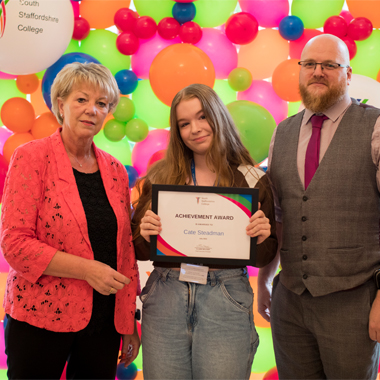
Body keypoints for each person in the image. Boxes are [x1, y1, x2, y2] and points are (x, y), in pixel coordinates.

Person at [0, 62, 140, 380]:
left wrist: (128, 320)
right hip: (39, 318)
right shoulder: (31, 157)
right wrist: (88, 271)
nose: (92, 109)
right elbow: (16, 244)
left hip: (104, 324)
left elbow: (125, 250)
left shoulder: (116, 170)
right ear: (60, 104)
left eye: (102, 103)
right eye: (82, 99)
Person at [132, 83, 277, 379]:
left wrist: (262, 236)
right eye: (184, 124)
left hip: (226, 297)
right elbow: (136, 247)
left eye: (202, 117)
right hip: (166, 296)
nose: (195, 129)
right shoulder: (161, 176)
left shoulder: (252, 180)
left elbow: (264, 256)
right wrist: (144, 233)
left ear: (218, 116)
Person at [257, 33, 380, 379]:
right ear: (300, 70)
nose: (318, 72)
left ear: (349, 73)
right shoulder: (282, 133)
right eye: (310, 64)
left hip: (353, 301)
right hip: (290, 300)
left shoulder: (376, 126)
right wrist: (266, 280)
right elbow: (281, 216)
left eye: (330, 65)